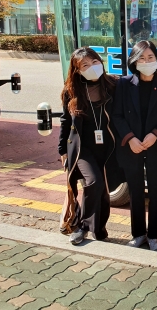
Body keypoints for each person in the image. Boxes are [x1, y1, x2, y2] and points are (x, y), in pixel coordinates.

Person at [112, 40, 157, 252]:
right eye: (142, 58)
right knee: (135, 189)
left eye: (150, 57)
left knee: (156, 190)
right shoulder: (124, 84)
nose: (147, 62)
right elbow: (117, 115)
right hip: (132, 146)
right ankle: (138, 234)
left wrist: (155, 135)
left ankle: (155, 235)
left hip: (156, 145)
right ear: (134, 61)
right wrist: (130, 138)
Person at [58, 47, 118, 245]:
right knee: (93, 182)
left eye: (95, 62)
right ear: (77, 70)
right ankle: (82, 227)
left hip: (108, 147)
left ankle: (99, 229)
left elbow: (136, 82)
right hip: (82, 148)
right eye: (85, 65)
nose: (92, 67)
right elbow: (65, 121)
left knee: (104, 190)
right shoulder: (71, 91)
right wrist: (62, 150)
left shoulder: (113, 84)